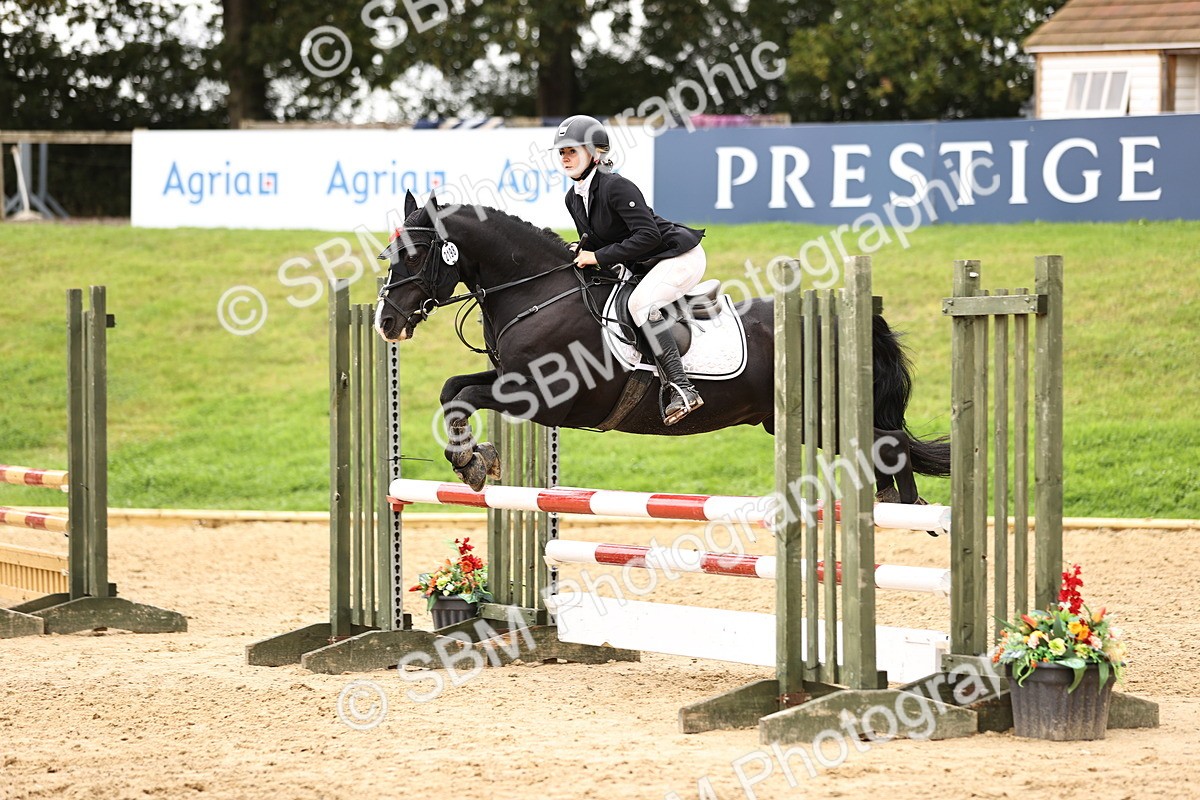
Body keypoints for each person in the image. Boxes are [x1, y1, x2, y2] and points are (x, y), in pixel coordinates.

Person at [552, 114, 707, 426]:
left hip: (679, 256)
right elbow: (598, 240)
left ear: (596, 153)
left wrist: (596, 257)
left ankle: (683, 388)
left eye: (573, 150)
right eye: (562, 152)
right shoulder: (573, 198)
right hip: (646, 263)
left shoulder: (617, 187)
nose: (566, 157)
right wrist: (578, 250)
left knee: (640, 304)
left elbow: (647, 236)